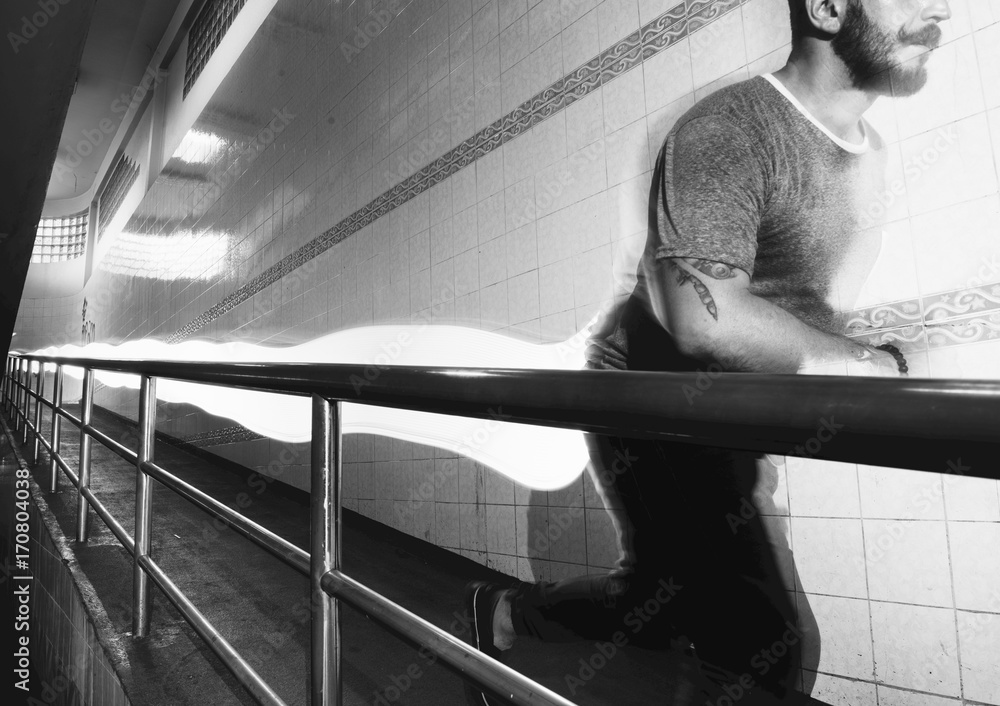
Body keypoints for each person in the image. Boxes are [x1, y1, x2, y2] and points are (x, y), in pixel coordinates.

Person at [464, 0, 951, 703]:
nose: (939, 7)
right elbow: (704, 316)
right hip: (648, 394)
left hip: (723, 408)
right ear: (826, 7)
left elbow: (789, 311)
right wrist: (876, 366)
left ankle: (506, 614)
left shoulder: (865, 152)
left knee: (662, 604)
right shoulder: (732, 130)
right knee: (766, 643)